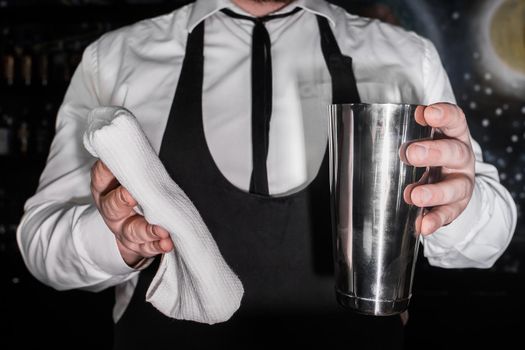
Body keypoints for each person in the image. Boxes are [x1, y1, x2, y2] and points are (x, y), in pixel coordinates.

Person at [16, 0, 517, 348]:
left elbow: (490, 239)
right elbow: (40, 246)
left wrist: (458, 207)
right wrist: (117, 240)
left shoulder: (402, 55)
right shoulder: (116, 58)